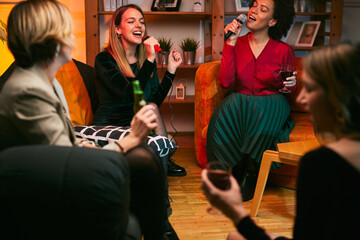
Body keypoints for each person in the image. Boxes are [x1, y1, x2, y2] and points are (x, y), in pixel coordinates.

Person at [0, 1, 177, 239]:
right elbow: (64, 162)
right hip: (53, 184)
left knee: (143, 162)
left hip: (64, 166)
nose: (72, 36)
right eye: (66, 30)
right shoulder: (28, 91)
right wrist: (130, 138)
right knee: (142, 160)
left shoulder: (47, 82)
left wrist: (85, 145)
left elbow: (65, 142)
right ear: (47, 39)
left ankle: (160, 229)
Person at [202, 41, 360, 240]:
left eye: (310, 90)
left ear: (339, 99)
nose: (301, 99)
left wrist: (237, 213)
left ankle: (250, 169)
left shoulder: (319, 163)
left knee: (234, 237)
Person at [206, 0, 296, 201]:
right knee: (225, 111)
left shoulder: (284, 50)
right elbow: (225, 82)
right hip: (241, 100)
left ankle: (250, 173)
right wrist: (230, 43)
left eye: (263, 9)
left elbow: (288, 90)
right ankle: (223, 174)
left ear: (272, 21)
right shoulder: (237, 43)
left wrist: (290, 85)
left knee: (260, 106)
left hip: (272, 103)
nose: (254, 10)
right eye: (254, 5)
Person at [92, 3, 186, 181]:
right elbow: (129, 94)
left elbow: (153, 102)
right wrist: (151, 60)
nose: (139, 25)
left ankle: (163, 159)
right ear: (118, 29)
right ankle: (163, 159)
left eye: (141, 22)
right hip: (111, 124)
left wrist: (171, 71)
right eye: (131, 21)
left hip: (136, 124)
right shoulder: (104, 59)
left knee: (151, 107)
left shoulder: (144, 62)